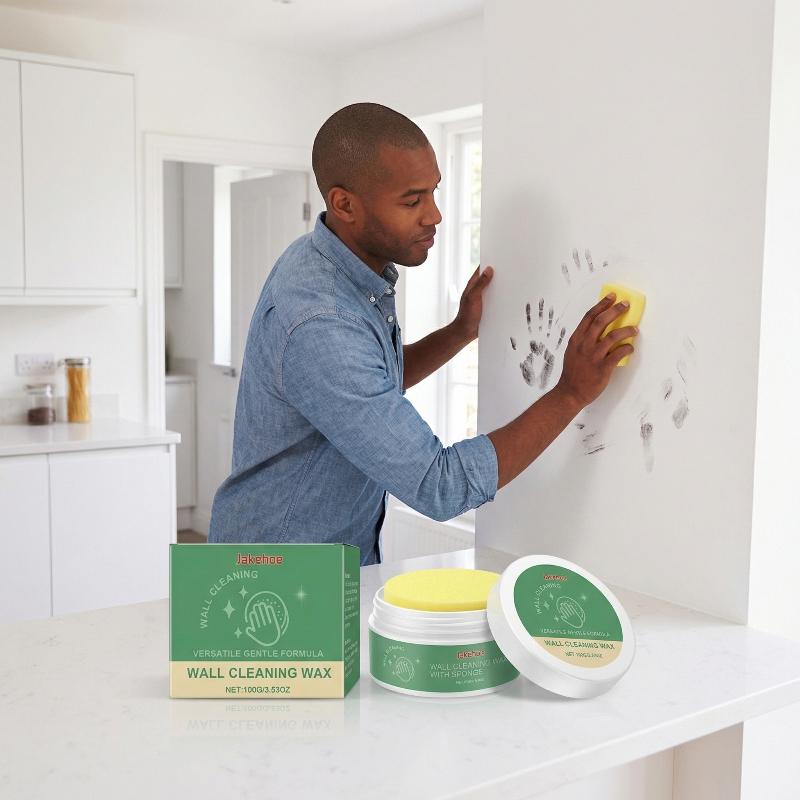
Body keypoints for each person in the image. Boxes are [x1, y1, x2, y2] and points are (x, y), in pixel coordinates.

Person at [209, 102, 638, 565]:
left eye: (434, 192)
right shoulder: (321, 321)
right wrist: (571, 393)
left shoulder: (323, 259)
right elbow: (440, 486)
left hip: (313, 563)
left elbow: (369, 383)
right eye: (412, 201)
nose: (434, 215)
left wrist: (459, 332)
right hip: (275, 579)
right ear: (345, 204)